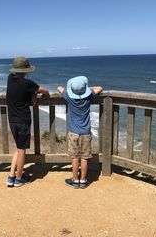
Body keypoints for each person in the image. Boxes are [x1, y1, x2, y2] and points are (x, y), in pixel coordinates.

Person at [6, 57, 49, 187]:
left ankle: (11, 176)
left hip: (12, 119)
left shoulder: (10, 79)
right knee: (22, 149)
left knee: (18, 148)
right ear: (26, 70)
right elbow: (44, 90)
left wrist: (32, 94)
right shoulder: (27, 84)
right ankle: (19, 178)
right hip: (23, 120)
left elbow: (25, 92)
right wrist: (40, 94)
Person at [57, 76, 103, 189]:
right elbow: (100, 88)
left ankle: (75, 179)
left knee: (75, 157)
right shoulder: (88, 96)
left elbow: (59, 88)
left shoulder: (69, 96)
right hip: (86, 132)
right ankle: (83, 180)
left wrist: (73, 90)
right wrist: (87, 89)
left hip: (73, 132)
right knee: (84, 157)